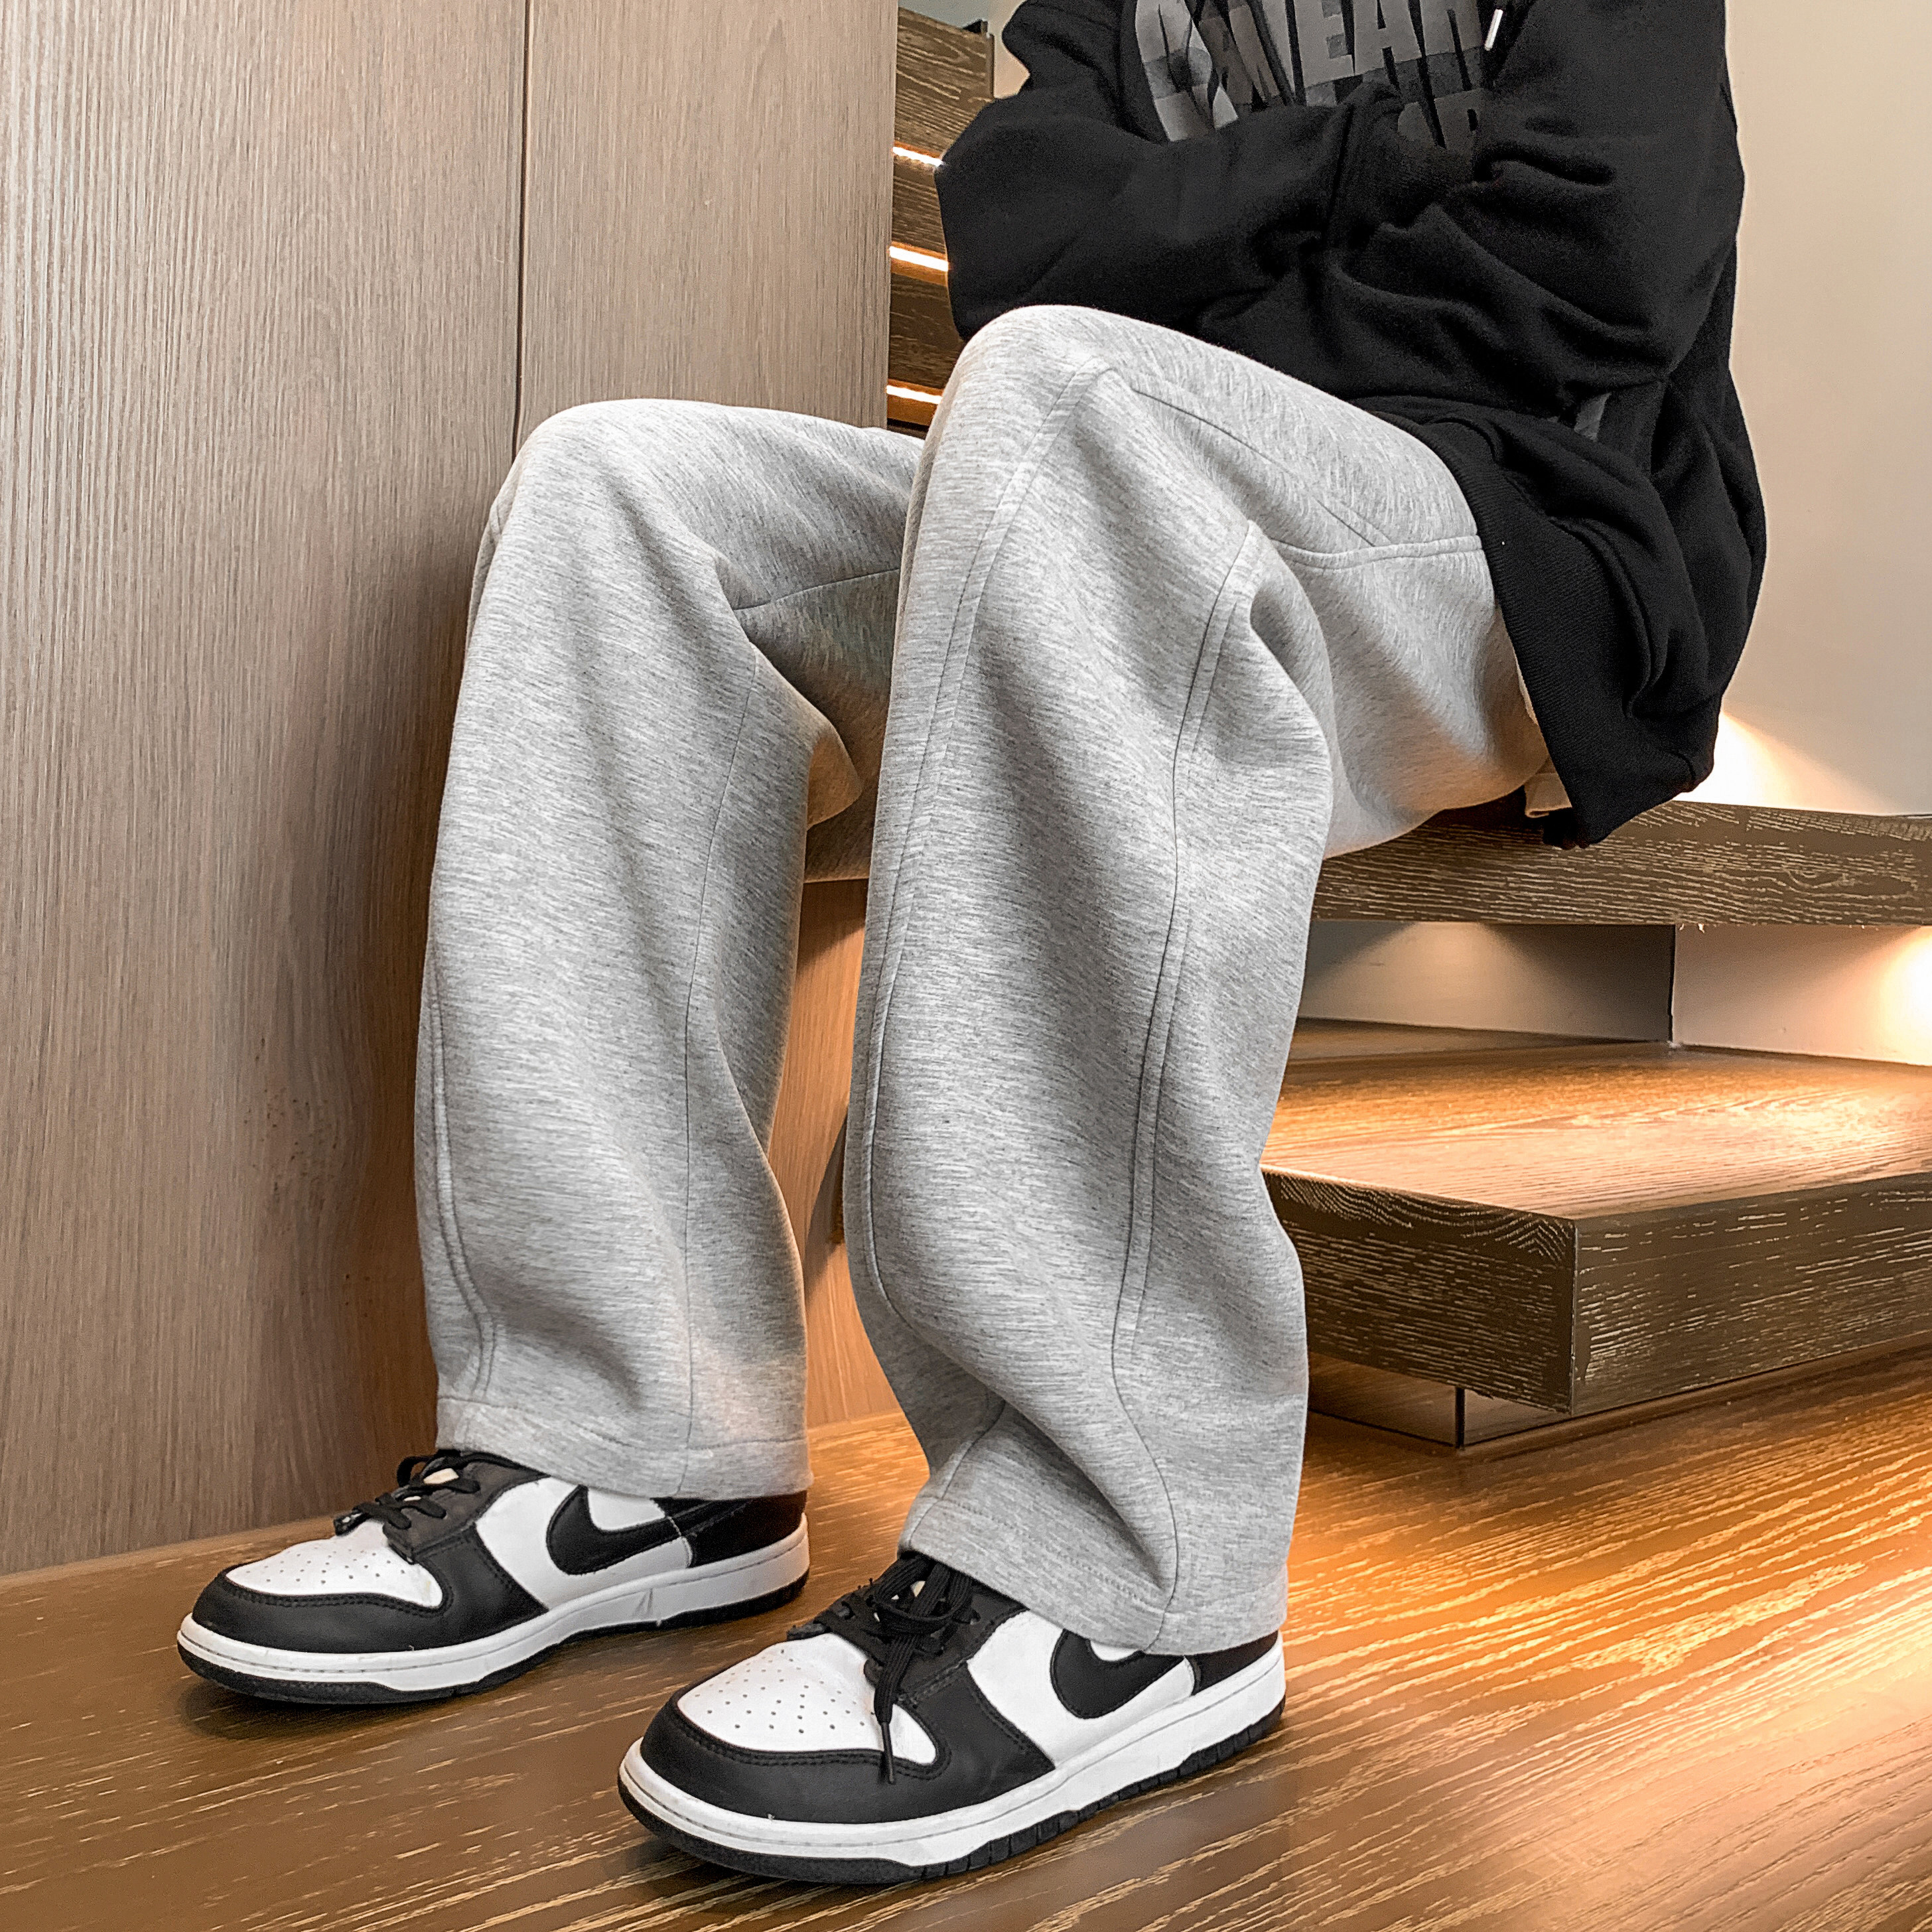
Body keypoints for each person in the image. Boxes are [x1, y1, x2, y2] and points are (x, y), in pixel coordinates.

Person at [176, 0, 1760, 1885]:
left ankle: (1126, 1564)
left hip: (1525, 535)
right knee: (626, 496)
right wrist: (1376, 164)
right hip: (1117, 459)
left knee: (1074, 401)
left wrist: (1182, 292)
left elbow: (1603, 255)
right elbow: (1019, 244)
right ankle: (628, 1445)